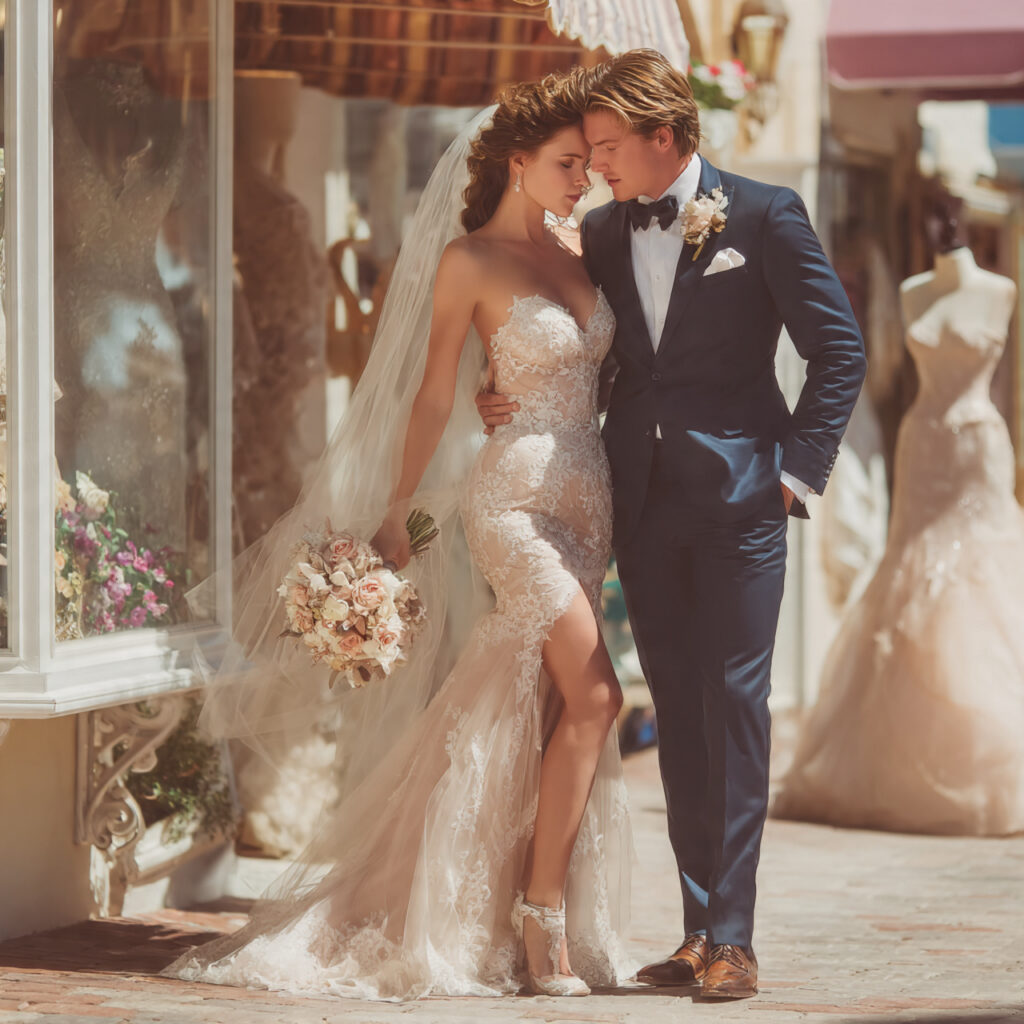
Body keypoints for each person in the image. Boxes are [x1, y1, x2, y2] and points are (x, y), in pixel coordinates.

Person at [165, 73, 634, 1000]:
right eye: (569, 164)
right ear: (517, 161)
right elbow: (431, 392)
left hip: (589, 502)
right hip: (511, 507)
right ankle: (542, 926)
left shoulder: (589, 248)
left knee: (521, 705)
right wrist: (397, 508)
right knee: (598, 698)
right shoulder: (469, 261)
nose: (585, 180)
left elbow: (608, 375)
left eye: (587, 165)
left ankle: (464, 897)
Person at [479, 49, 866, 1000]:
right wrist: (514, 399)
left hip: (744, 504)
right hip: (641, 501)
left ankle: (734, 936)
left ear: (666, 138)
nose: (599, 165)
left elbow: (839, 351)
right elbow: (586, 344)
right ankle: (699, 931)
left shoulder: (768, 215)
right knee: (681, 716)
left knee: (734, 707)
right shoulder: (604, 231)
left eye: (610, 147)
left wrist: (794, 477)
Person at [774, 190, 1024, 836]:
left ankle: (988, 753)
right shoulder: (913, 288)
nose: (940, 227)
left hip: (976, 444)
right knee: (911, 568)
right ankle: (896, 755)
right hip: (923, 442)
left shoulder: (1000, 290)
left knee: (980, 574)